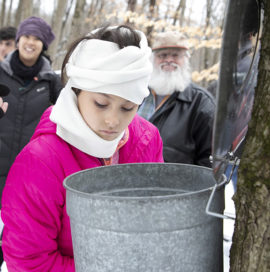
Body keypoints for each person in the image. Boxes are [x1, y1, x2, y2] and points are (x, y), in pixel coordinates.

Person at [1, 24, 163, 271]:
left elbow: (159, 219)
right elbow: (29, 261)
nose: (113, 120)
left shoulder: (147, 140)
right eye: (100, 103)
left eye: (127, 108)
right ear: (75, 93)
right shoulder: (41, 161)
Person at [0, 16, 63, 205]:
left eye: (37, 38)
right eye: (26, 36)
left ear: (43, 45)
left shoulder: (51, 82)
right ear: (18, 40)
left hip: (30, 172)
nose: (30, 42)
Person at [138, 31, 215, 167]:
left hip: (175, 186)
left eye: (175, 55)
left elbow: (209, 161)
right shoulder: (137, 94)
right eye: (162, 55)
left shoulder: (202, 103)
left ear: (185, 59)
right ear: (152, 59)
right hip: (130, 181)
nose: (169, 60)